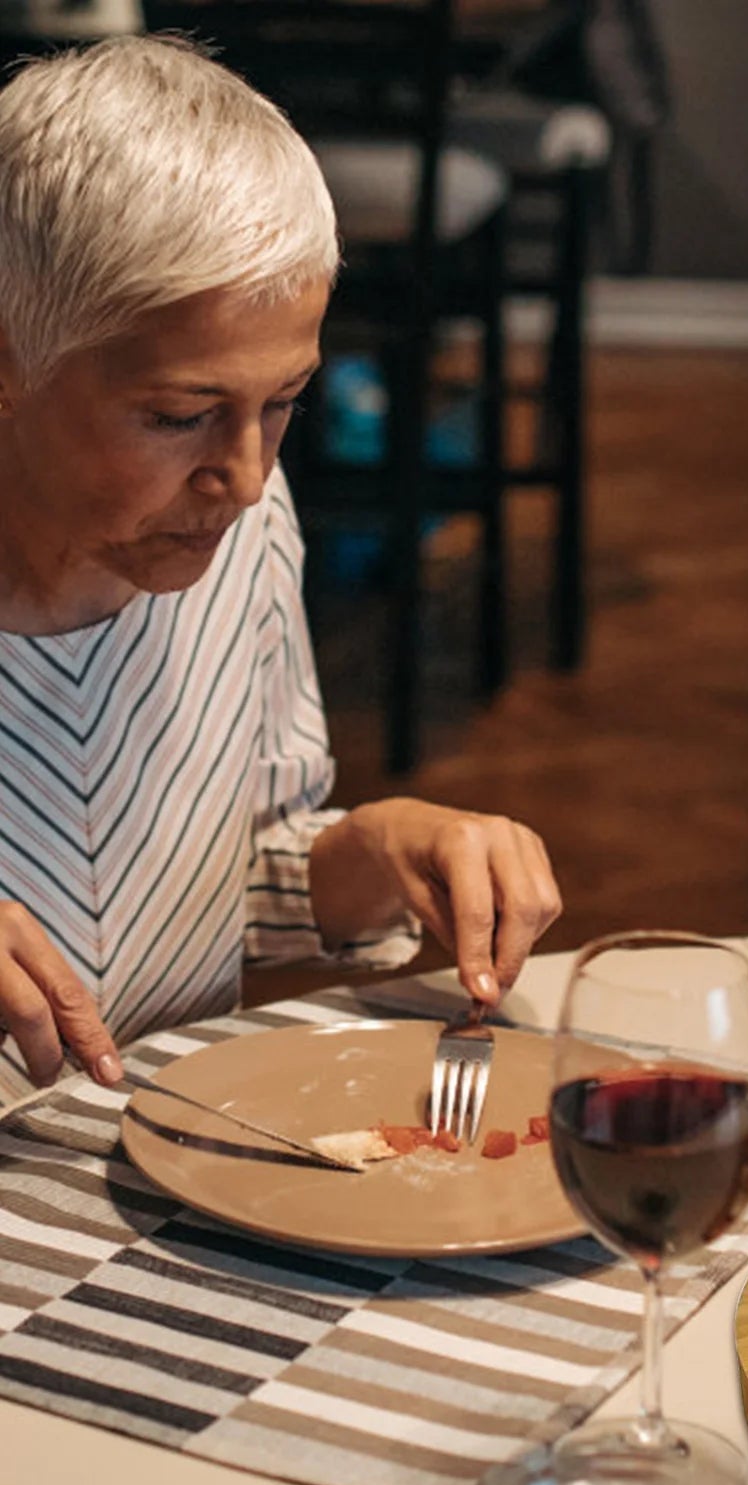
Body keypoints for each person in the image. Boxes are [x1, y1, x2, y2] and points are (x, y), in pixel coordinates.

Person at [0, 36, 562, 1099]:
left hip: (138, 1173)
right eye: (180, 415)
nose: (249, 477)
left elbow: (231, 874)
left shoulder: (232, 528)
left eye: (285, 401)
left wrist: (382, 848)